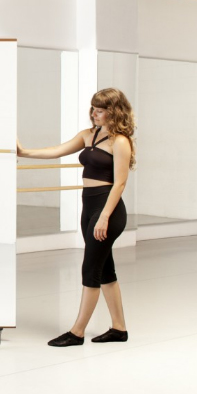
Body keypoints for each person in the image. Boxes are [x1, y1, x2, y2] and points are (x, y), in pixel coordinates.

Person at [17, 88, 136, 347]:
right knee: (105, 269)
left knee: (90, 269)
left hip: (108, 210)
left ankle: (77, 332)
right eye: (93, 109)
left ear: (114, 112)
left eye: (100, 110)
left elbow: (119, 183)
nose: (94, 113)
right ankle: (119, 329)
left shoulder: (120, 142)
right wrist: (23, 152)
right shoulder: (88, 135)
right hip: (89, 207)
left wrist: (104, 217)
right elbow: (56, 150)